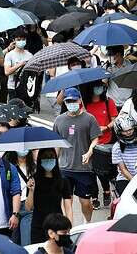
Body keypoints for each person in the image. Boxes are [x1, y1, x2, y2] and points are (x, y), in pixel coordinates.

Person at [53, 88, 101, 223]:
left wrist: (90, 151)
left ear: (79, 100)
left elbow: (96, 138)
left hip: (84, 169)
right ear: (65, 102)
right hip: (64, 168)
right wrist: (54, 164)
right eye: (68, 101)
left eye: (74, 100)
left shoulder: (89, 119)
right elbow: (57, 144)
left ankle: (87, 223)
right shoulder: (59, 120)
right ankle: (69, 228)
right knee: (67, 201)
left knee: (85, 202)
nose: (71, 103)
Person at [25, 148, 73, 244]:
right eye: (45, 157)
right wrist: (31, 191)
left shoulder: (63, 180)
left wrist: (69, 226)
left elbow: (68, 206)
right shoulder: (33, 180)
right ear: (40, 160)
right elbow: (28, 208)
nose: (48, 160)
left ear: (55, 159)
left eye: (51, 157)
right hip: (38, 225)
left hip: (57, 226)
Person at [84, 82, 117, 209]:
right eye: (96, 86)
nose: (99, 89)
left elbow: (115, 119)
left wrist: (106, 127)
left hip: (105, 142)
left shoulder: (109, 102)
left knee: (101, 171)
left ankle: (106, 190)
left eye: (101, 87)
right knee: (90, 171)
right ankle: (94, 196)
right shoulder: (85, 104)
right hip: (89, 142)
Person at [111, 114, 137, 195]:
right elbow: (123, 170)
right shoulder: (117, 147)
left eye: (130, 129)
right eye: (124, 131)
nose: (128, 133)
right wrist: (135, 182)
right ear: (119, 132)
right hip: (125, 178)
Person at [4, 30, 32, 100]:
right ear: (14, 40)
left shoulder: (29, 55)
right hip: (13, 87)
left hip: (27, 87)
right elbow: (7, 72)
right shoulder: (9, 55)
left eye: (23, 39)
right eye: (18, 40)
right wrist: (20, 64)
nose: (21, 41)